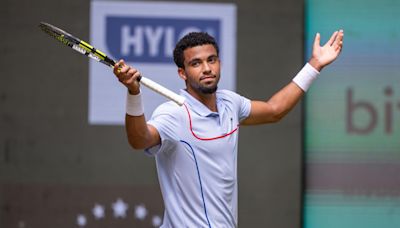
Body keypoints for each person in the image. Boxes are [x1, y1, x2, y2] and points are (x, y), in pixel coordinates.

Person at [113, 30, 344, 227]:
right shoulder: (173, 115)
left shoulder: (230, 103)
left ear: (219, 63)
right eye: (196, 63)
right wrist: (134, 93)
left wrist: (315, 64)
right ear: (182, 73)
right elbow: (139, 140)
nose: (206, 68)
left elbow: (275, 110)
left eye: (211, 60)